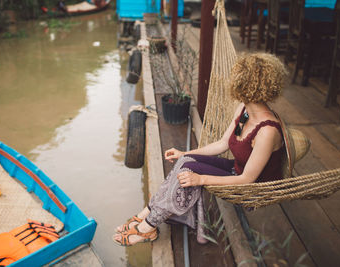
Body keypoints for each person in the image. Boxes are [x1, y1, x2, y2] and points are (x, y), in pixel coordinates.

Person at [113, 52, 288, 246]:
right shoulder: (244, 109)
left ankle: (147, 226)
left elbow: (248, 179)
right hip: (235, 169)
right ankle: (147, 214)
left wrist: (201, 179)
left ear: (241, 83)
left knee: (189, 171)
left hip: (251, 188)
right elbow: (222, 144)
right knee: (185, 162)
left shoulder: (267, 131)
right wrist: (184, 153)